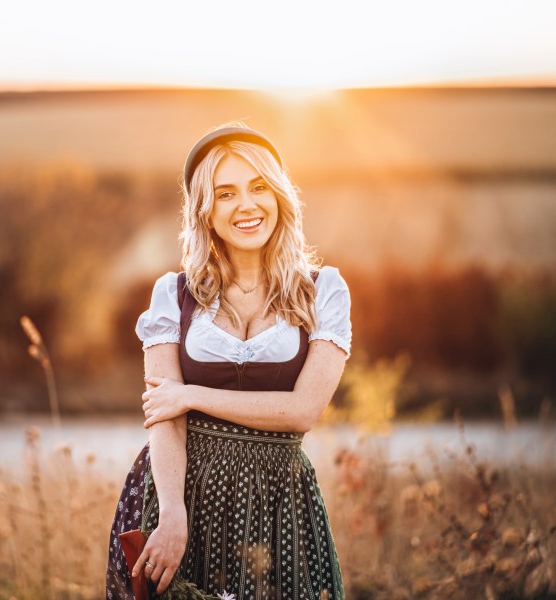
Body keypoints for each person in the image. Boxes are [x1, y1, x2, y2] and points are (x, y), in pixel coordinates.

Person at [106, 123, 351, 599]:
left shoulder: (324, 292)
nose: (247, 205)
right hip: (182, 494)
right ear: (205, 211)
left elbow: (303, 410)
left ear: (279, 196)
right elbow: (165, 419)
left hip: (278, 501)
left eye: (259, 187)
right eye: (226, 193)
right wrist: (173, 513)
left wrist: (192, 394)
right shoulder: (171, 297)